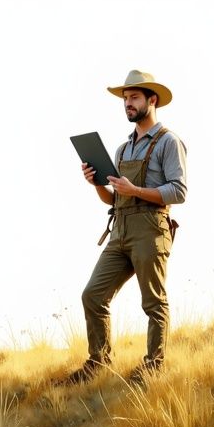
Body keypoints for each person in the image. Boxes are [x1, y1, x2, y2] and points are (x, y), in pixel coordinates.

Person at [67, 70, 188, 384]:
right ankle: (99, 362)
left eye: (134, 97)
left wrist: (134, 190)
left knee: (153, 302)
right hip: (120, 230)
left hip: (152, 229)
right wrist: (96, 183)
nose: (128, 104)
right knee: (92, 295)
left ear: (152, 99)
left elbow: (179, 191)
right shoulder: (122, 150)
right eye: (125, 99)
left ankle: (153, 366)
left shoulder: (168, 142)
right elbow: (113, 200)